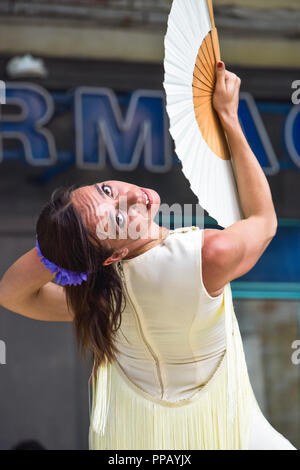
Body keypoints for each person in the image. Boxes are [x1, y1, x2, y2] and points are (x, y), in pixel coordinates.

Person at [0, 62, 296, 450]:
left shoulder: (99, 299)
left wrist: (68, 243)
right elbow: (264, 219)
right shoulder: (209, 255)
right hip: (231, 436)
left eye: (105, 190)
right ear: (112, 254)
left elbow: (11, 293)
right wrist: (228, 116)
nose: (134, 196)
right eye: (119, 218)